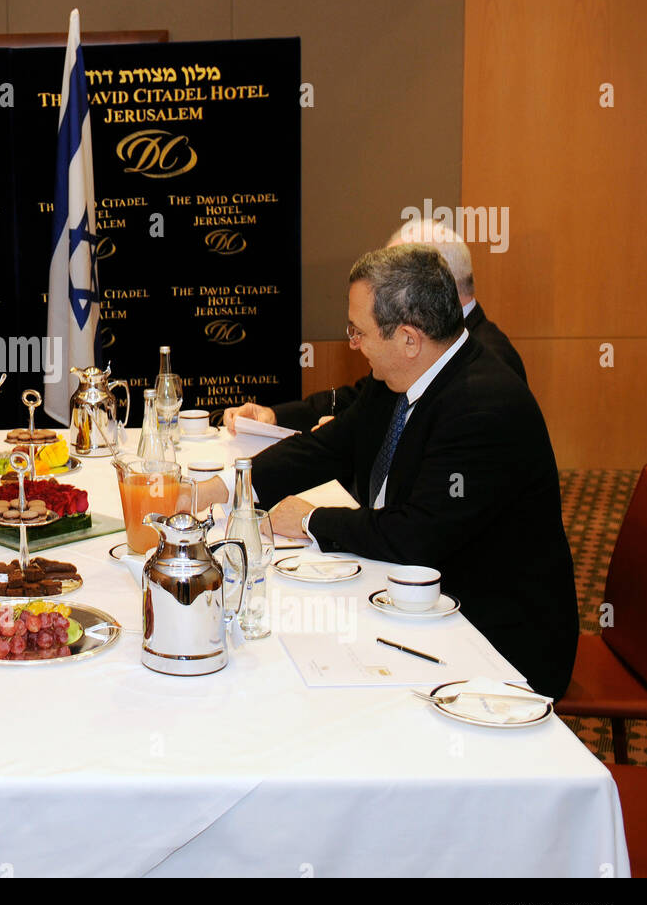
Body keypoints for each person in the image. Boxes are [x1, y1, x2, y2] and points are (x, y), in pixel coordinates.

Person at [198, 244, 578, 699]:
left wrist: (309, 519)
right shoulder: (404, 376)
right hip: (424, 602)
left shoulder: (484, 405)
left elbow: (416, 535)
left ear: (409, 338)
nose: (352, 344)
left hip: (496, 639)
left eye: (359, 332)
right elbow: (328, 446)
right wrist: (219, 489)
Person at [225, 220, 526, 433]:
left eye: (391, 278)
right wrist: (276, 415)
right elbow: (361, 397)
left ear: (435, 282)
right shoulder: (416, 340)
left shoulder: (486, 365)